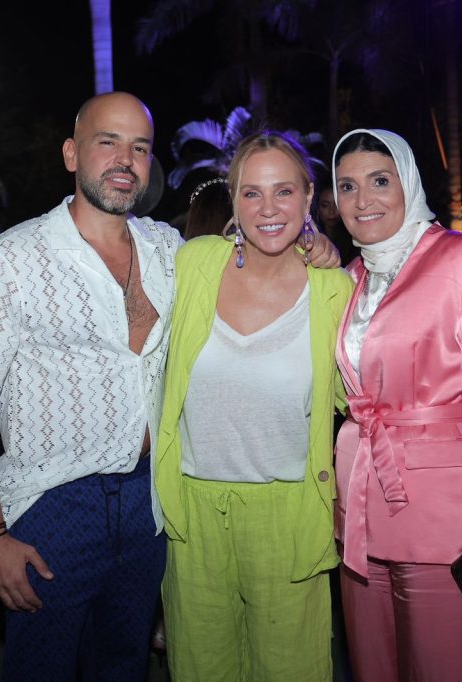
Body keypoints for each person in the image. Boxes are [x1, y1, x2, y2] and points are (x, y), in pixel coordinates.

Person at [0, 92, 339, 681]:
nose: (125, 159)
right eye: (108, 142)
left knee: (125, 667)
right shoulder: (12, 260)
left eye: (140, 148)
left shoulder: (170, 251)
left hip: (151, 505)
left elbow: (256, 254)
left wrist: (313, 243)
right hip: (52, 504)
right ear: (71, 153)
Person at [330, 129, 462, 681]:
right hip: (359, 517)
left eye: (380, 181)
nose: (363, 199)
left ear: (409, 182)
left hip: (448, 522)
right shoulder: (348, 279)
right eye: (347, 186)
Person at [155, 131, 352, 680]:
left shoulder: (334, 289)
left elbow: (359, 400)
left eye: (283, 191)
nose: (268, 209)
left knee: (291, 668)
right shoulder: (193, 263)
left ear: (309, 196)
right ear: (234, 201)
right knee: (200, 668)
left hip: (289, 512)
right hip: (191, 509)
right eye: (251, 193)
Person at [316, 181, 356, 265]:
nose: (331, 211)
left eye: (337, 205)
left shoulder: (355, 241)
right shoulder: (310, 238)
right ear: (318, 209)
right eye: (325, 205)